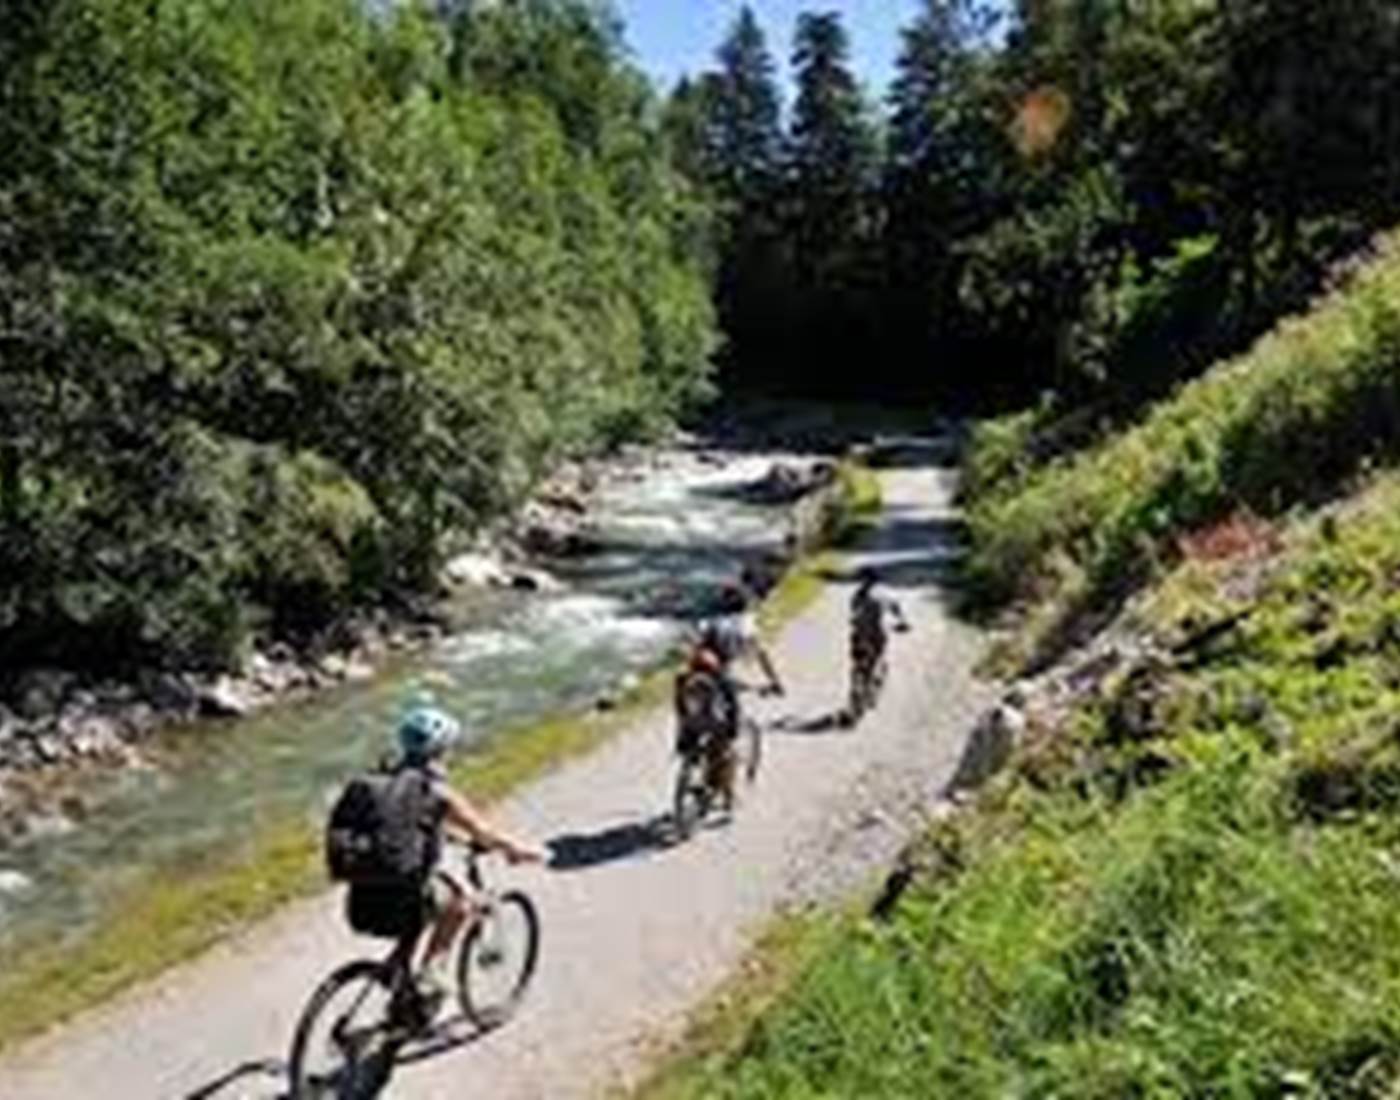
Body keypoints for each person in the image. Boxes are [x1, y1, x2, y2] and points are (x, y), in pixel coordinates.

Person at [393, 704, 544, 1008]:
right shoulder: (436, 792)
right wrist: (518, 850)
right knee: (461, 904)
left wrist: (450, 837)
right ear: (439, 751)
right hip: (411, 885)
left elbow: (411, 828)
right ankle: (432, 972)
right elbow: (483, 833)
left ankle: (399, 984)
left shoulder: (382, 782)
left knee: (416, 914)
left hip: (367, 885)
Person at [845, 567, 908, 726]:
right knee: (878, 659)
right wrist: (903, 622)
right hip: (878, 634)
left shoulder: (858, 595)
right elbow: (897, 610)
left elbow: (853, 614)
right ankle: (871, 689)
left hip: (860, 634)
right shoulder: (885, 594)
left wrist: (857, 622)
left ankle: (858, 690)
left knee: (858, 662)